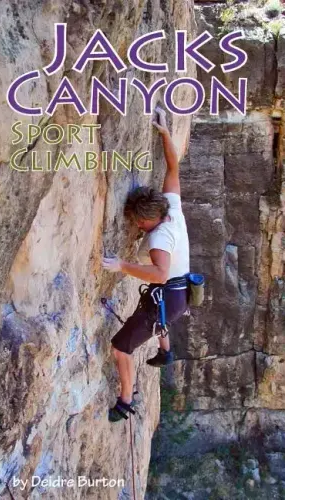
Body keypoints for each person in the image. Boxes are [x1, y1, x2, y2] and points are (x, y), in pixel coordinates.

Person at [102, 108, 190, 422]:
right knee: (158, 310)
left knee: (120, 347)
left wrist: (121, 265)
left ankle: (125, 401)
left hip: (168, 297)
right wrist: (165, 133)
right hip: (179, 295)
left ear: (148, 220)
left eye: (139, 222)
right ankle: (165, 351)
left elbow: (160, 274)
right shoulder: (172, 206)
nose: (138, 226)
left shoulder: (159, 239)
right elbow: (173, 166)